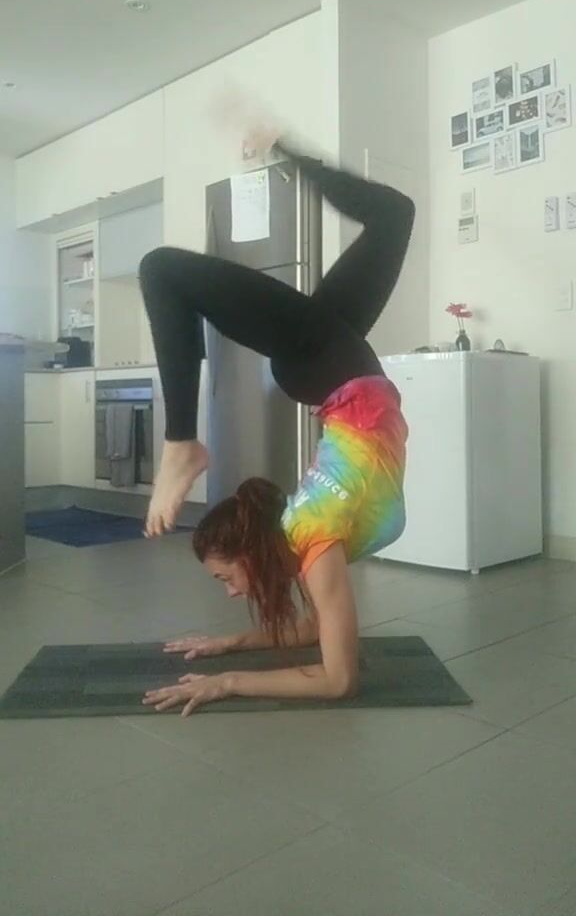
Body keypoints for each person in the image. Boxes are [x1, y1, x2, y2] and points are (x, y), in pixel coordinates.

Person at [138, 138, 415, 716]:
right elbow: (334, 672)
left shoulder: (309, 537)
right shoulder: (314, 544)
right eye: (225, 582)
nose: (230, 592)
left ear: (256, 549)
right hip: (336, 373)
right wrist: (228, 657)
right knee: (393, 214)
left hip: (333, 370)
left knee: (161, 270)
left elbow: (329, 662)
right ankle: (284, 150)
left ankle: (182, 442)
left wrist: (226, 673)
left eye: (225, 578)